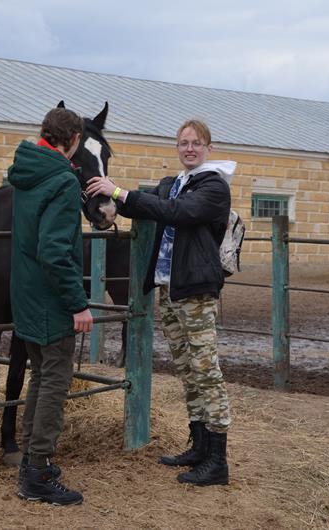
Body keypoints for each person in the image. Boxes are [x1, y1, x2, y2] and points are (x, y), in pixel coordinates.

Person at [86, 119, 233, 486]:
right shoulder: (174, 183)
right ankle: (199, 446)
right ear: (177, 147)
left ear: (209, 148)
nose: (189, 149)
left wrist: (119, 192)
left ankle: (218, 459)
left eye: (196, 143)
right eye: (184, 143)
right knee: (187, 370)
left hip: (195, 289)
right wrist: (108, 197)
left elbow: (177, 212)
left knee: (206, 370)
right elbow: (144, 206)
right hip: (170, 289)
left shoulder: (213, 186)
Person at [9, 106, 93, 506]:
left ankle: (31, 462)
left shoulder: (27, 171)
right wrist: (78, 303)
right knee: (55, 382)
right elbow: (55, 251)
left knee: (41, 377)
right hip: (51, 298)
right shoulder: (61, 180)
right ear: (74, 139)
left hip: (25, 294)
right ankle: (38, 473)